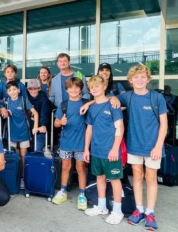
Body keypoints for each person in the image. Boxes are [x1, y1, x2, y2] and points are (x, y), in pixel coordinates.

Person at [116, 65, 168, 231]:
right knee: (137, 176)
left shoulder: (156, 98)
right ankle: (139, 210)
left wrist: (158, 146)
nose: (139, 80)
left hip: (153, 147)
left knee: (151, 178)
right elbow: (108, 100)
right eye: (136, 77)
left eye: (143, 76)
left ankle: (150, 212)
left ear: (148, 79)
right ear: (130, 80)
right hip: (134, 145)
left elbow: (164, 124)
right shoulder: (128, 97)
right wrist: (90, 104)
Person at [83, 75, 125, 225]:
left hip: (110, 151)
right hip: (96, 151)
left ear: (104, 87)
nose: (94, 89)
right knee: (99, 178)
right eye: (91, 87)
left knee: (114, 180)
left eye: (97, 86)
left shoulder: (113, 104)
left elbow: (120, 127)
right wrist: (86, 149)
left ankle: (118, 210)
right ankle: (102, 207)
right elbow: (89, 129)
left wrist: (115, 149)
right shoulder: (92, 107)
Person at [51, 77, 88, 210]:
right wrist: (61, 122)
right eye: (71, 87)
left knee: (80, 169)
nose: (74, 90)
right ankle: (62, 191)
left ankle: (82, 194)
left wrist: (89, 104)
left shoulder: (86, 103)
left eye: (77, 87)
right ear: (67, 90)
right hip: (66, 142)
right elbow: (56, 123)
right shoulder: (63, 104)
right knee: (65, 167)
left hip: (81, 143)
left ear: (80, 89)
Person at [5, 81, 39, 189]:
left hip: (23, 131)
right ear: (7, 92)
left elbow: (36, 113)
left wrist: (35, 126)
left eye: (14, 89)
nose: (12, 92)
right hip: (11, 132)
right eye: (10, 90)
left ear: (18, 90)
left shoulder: (24, 100)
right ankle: (13, 177)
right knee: (13, 156)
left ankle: (23, 178)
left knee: (23, 155)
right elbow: (0, 111)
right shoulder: (6, 102)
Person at [26, 79, 50, 152]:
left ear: (39, 88)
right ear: (27, 89)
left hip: (39, 129)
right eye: (30, 89)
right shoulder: (26, 98)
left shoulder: (44, 99)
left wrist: (43, 125)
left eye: (35, 89)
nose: (33, 91)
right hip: (27, 129)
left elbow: (44, 112)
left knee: (37, 149)